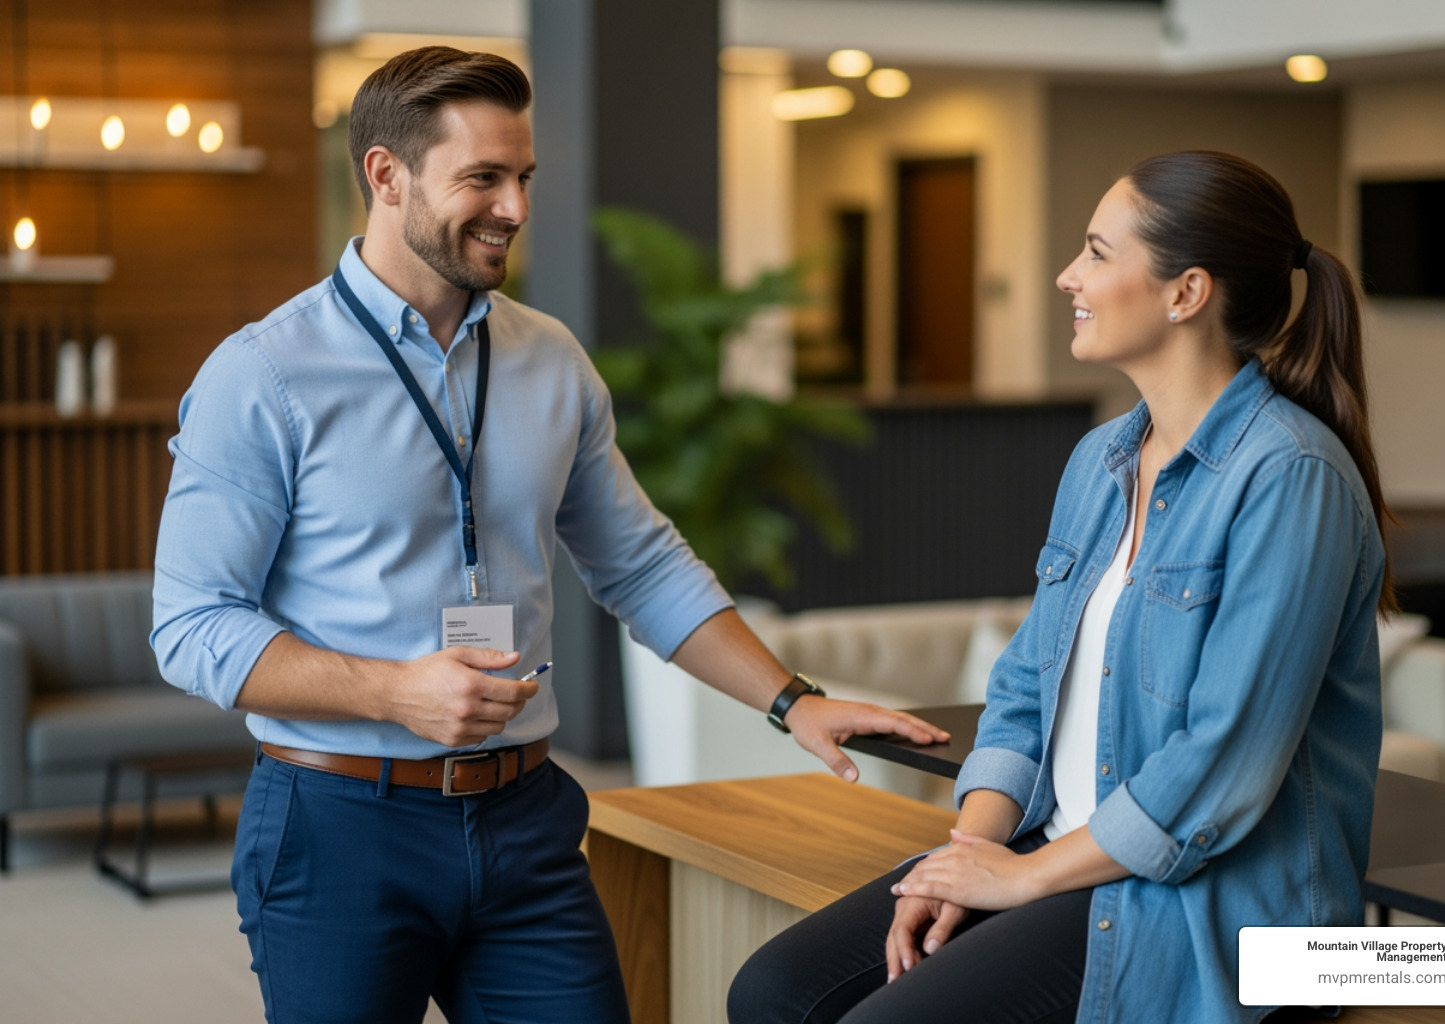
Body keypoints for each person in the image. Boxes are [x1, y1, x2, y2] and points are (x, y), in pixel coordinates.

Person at [150, 46, 946, 1024]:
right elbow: (191, 625)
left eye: (523, 177)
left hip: (524, 819)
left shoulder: (550, 359)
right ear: (386, 177)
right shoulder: (262, 373)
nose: (516, 209)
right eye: (482, 178)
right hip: (338, 823)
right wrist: (396, 691)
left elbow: (642, 563)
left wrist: (791, 699)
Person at [729, 150, 1395, 1024]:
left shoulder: (1291, 477)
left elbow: (1221, 761)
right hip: (1058, 851)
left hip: (1212, 907)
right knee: (772, 993)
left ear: (1185, 293)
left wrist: (1021, 877)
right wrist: (969, 854)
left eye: (1096, 252)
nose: (1065, 275)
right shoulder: (1102, 460)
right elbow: (1023, 687)